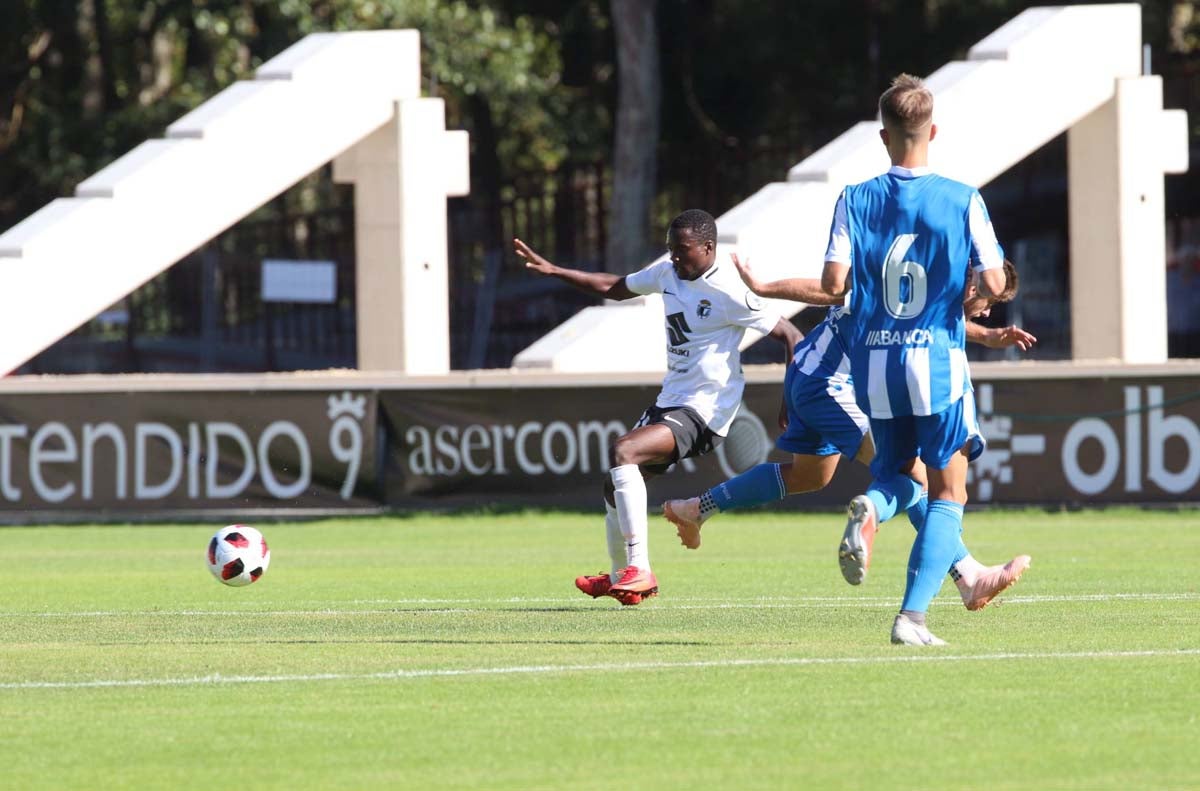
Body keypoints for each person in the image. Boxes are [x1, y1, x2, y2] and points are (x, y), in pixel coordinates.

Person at [663, 257, 1034, 612]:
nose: (986, 311)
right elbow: (829, 289)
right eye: (991, 301)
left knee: (810, 476)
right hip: (829, 383)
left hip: (811, 376)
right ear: (974, 287)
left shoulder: (922, 288)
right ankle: (967, 575)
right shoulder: (908, 287)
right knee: (912, 475)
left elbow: (933, 321)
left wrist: (985, 336)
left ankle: (697, 509)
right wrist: (764, 287)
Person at [514, 209, 802, 606]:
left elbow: (792, 335)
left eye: (682, 250)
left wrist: (793, 397)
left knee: (624, 451)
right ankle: (621, 581)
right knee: (613, 488)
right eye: (670, 249)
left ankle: (639, 569)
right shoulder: (668, 273)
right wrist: (555, 271)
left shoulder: (729, 290)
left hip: (706, 409)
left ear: (708, 248)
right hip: (672, 401)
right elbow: (615, 286)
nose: (674, 257)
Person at [819, 73, 1009, 646]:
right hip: (937, 364)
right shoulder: (962, 198)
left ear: (883, 136)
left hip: (874, 367)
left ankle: (872, 511)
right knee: (949, 492)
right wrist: (974, 286)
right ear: (933, 131)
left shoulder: (853, 198)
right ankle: (912, 618)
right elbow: (996, 281)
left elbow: (833, 283)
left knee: (900, 477)